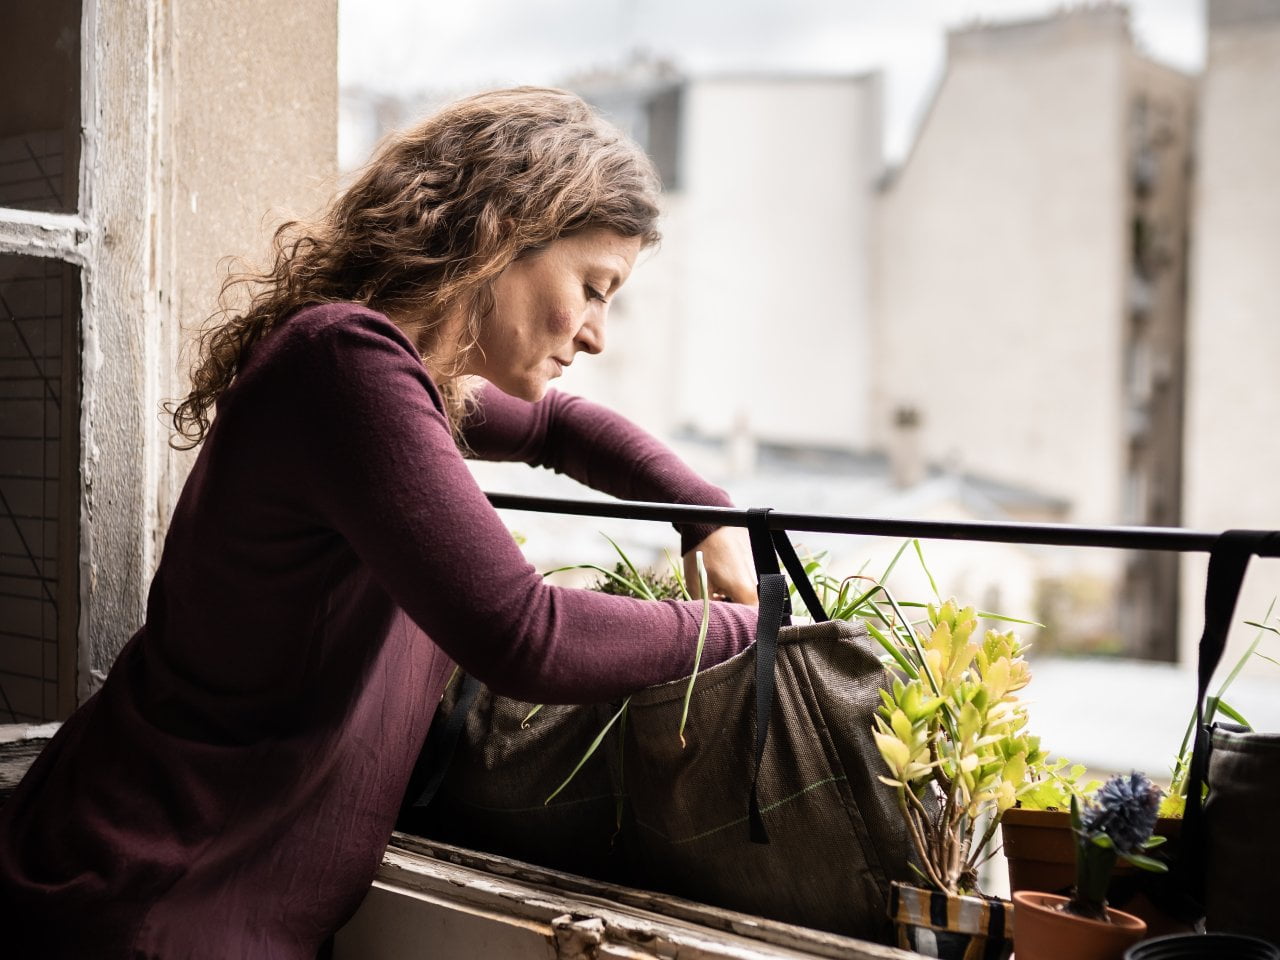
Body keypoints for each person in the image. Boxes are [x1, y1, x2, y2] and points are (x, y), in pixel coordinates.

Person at [0, 87, 761, 958]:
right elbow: (525, 635)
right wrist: (752, 627)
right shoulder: (347, 366)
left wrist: (708, 516)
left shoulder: (397, 377)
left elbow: (560, 427)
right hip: (147, 896)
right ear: (505, 234)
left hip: (196, 892)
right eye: (593, 288)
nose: (596, 336)